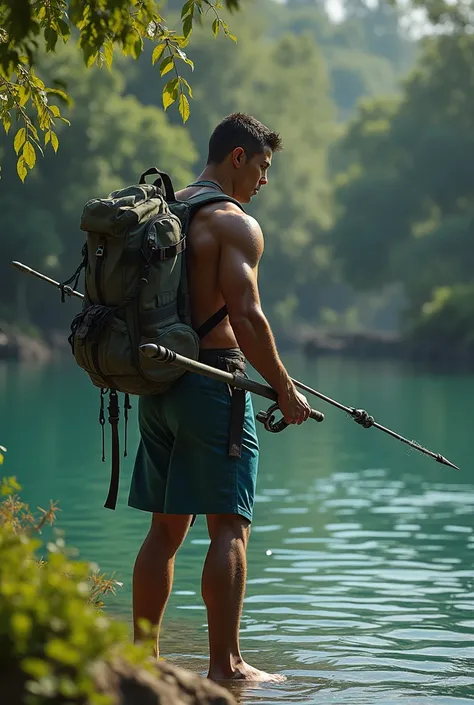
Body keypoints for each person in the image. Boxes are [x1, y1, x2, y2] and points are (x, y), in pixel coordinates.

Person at [128, 113, 311, 682]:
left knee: (164, 529)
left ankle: (143, 660)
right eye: (261, 167)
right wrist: (285, 389)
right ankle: (226, 667)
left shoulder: (167, 212)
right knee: (229, 525)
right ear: (237, 157)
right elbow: (248, 317)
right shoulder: (234, 223)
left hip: (157, 383)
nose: (263, 181)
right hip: (212, 385)